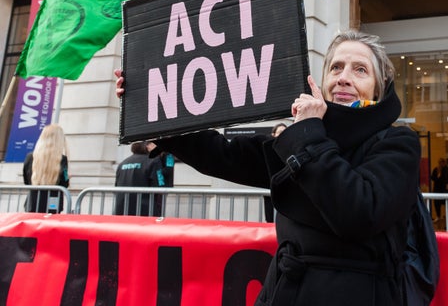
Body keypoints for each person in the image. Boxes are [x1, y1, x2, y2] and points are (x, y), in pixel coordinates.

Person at [115, 29, 422, 306]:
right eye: (336, 67)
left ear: (379, 88)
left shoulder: (397, 143)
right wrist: (153, 113)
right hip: (286, 292)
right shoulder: (303, 135)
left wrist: (309, 135)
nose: (343, 77)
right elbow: (225, 155)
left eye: (360, 70)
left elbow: (360, 212)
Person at [22, 124, 70, 213]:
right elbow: (65, 183)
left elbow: (26, 181)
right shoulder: (62, 159)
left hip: (32, 202)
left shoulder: (30, 157)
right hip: (52, 203)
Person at [114, 140, 170, 216]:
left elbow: (116, 185)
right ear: (147, 146)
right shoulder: (153, 161)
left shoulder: (123, 163)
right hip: (145, 210)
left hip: (122, 208)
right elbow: (160, 184)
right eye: (154, 144)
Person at [263, 122, 288, 223]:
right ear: (273, 135)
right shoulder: (267, 149)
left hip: (285, 191)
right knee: (270, 219)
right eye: (280, 132)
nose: (283, 135)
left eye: (285, 132)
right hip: (269, 188)